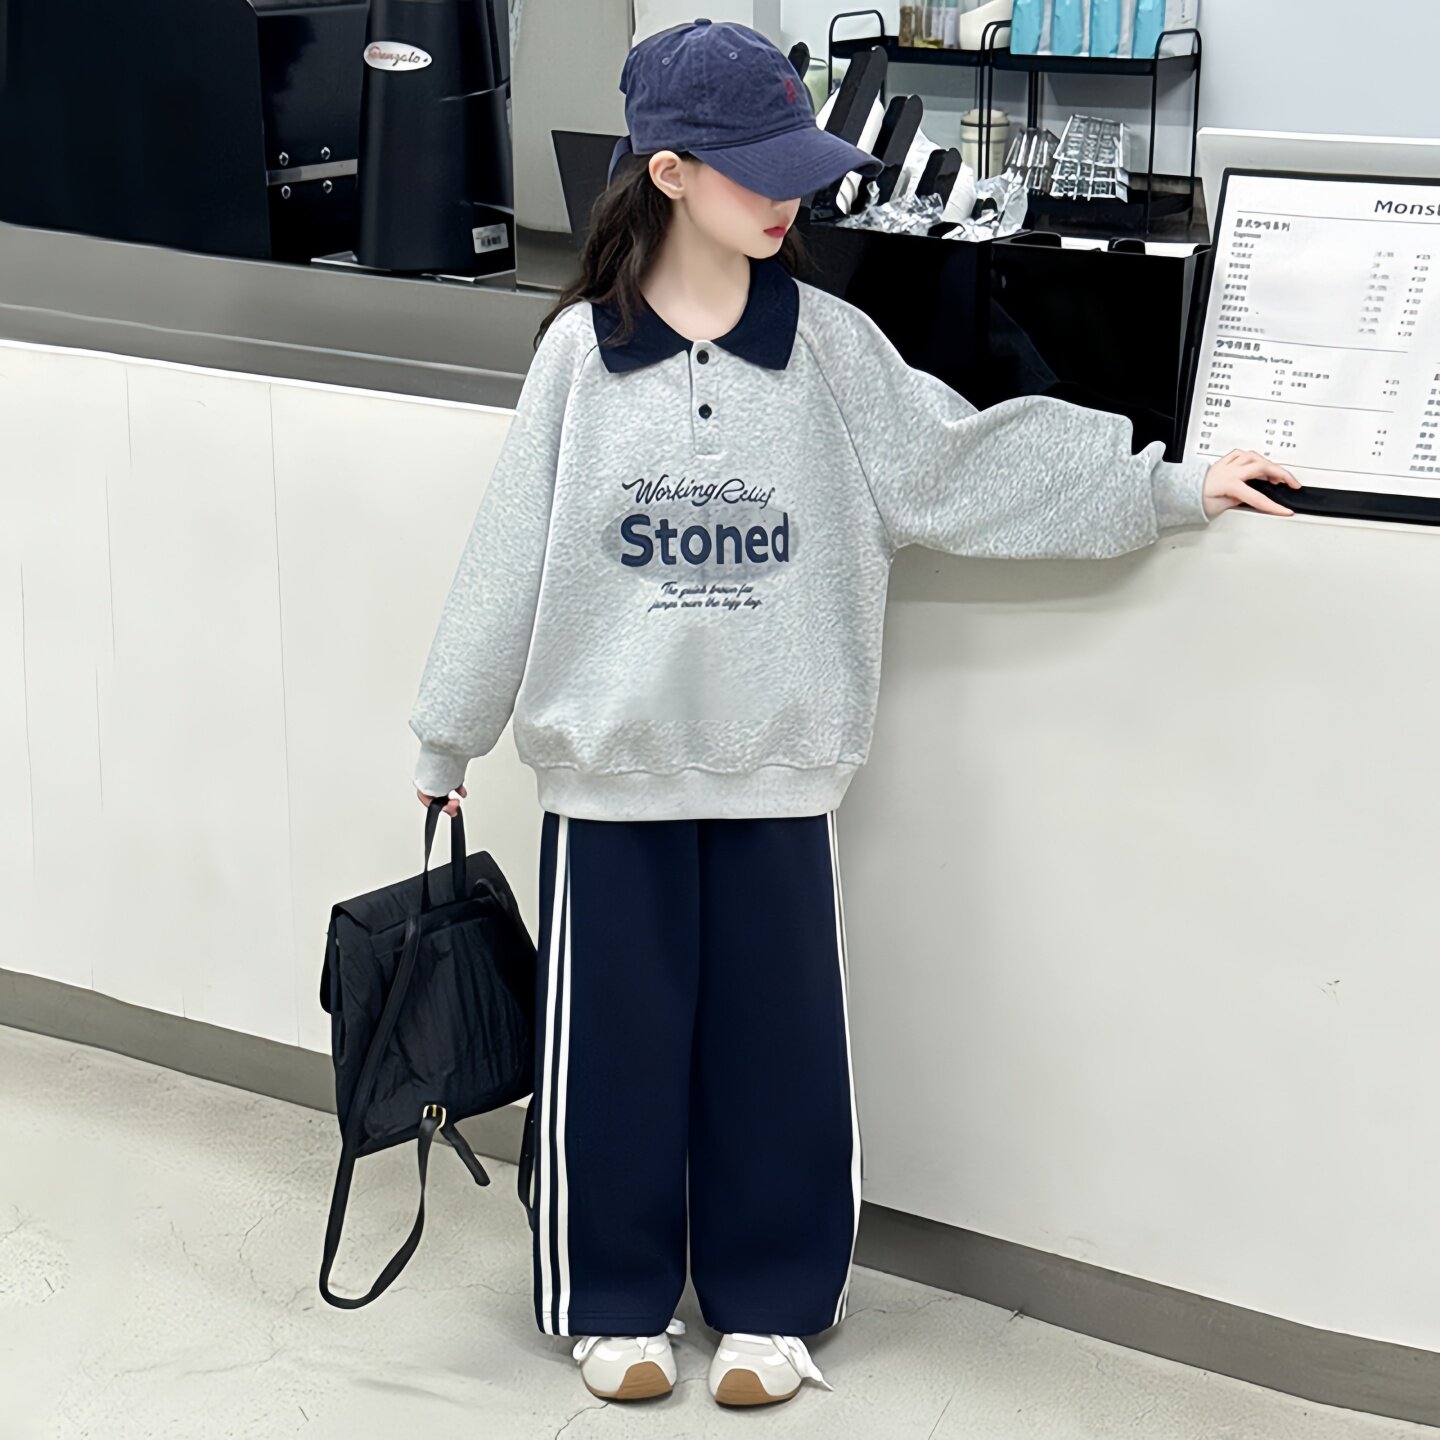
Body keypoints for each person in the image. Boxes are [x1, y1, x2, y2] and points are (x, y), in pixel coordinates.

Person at [409, 17, 1300, 1412]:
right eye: (760, 168)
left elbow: (964, 466)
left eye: (799, 165)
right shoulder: (580, 357)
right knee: (610, 1062)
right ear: (669, 173)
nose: (793, 197)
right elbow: (504, 558)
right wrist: (444, 731)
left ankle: (771, 1309)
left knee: (780, 1062)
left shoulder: (829, 349)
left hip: (780, 779)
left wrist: (1166, 486)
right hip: (613, 786)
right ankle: (614, 1300)